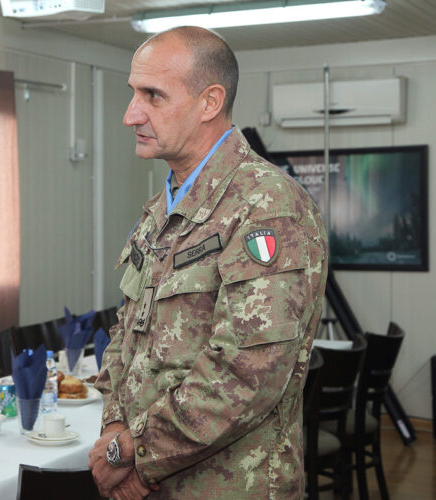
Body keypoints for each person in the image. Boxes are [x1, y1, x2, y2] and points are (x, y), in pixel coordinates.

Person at [89, 26, 328, 499]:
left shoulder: (266, 206)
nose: (130, 114)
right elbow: (126, 335)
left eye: (152, 95)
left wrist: (136, 455)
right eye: (133, 93)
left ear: (209, 102)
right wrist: (116, 431)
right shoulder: (165, 207)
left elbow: (247, 375)